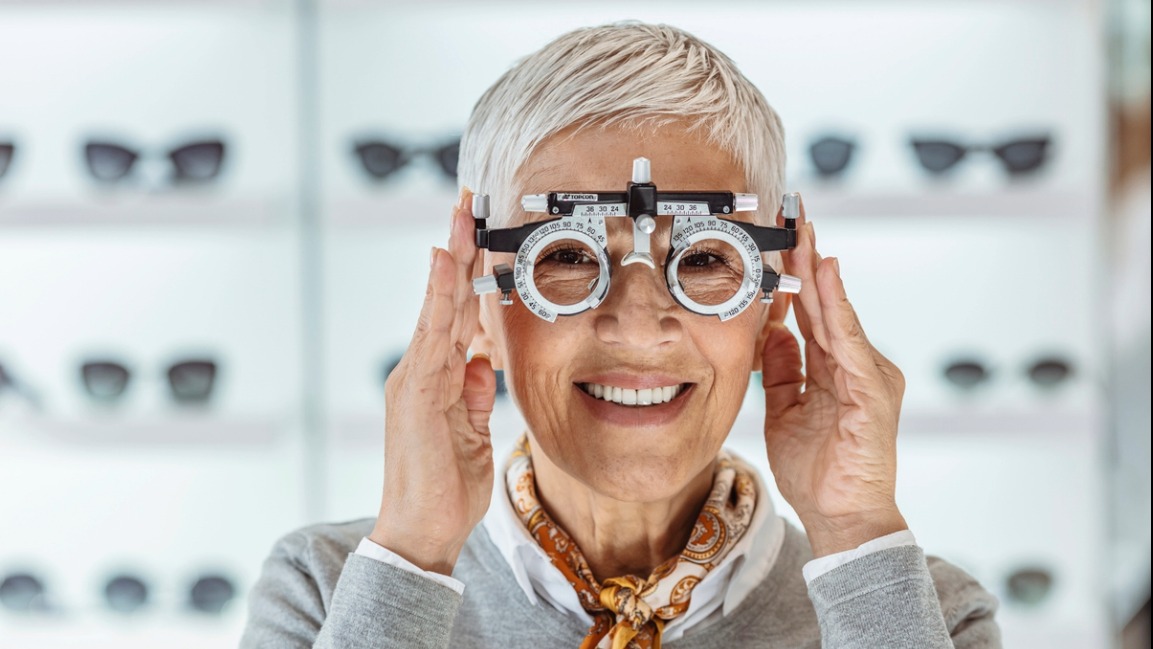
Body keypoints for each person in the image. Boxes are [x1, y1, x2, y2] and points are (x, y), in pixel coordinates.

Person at [241, 22, 1000, 648]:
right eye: (567, 257)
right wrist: (411, 552)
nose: (638, 320)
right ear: (477, 301)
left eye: (705, 259)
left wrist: (856, 530)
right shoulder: (333, 591)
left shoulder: (917, 609)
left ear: (772, 303)